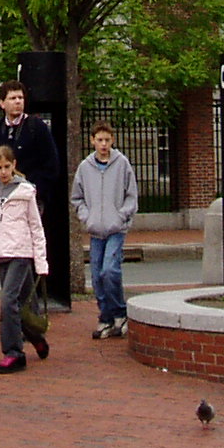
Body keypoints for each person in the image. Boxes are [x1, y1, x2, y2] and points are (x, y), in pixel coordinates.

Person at [0, 143, 49, 374]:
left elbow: (36, 227)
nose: (4, 172)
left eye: (7, 166)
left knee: (8, 302)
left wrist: (41, 261)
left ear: (14, 165)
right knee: (23, 303)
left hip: (20, 252)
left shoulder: (26, 191)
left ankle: (13, 352)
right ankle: (36, 337)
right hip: (0, 253)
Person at [71, 124, 140, 339]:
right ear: (92, 140)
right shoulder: (85, 167)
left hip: (115, 228)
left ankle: (119, 312)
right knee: (97, 275)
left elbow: (131, 195)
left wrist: (122, 215)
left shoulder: (122, 164)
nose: (103, 145)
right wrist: (86, 216)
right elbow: (77, 197)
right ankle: (106, 316)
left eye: (107, 140)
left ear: (113, 140)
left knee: (110, 270)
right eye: (99, 140)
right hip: (96, 230)